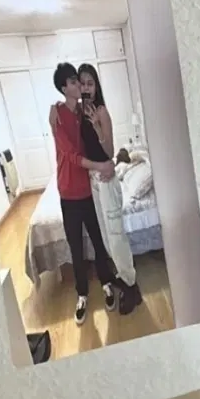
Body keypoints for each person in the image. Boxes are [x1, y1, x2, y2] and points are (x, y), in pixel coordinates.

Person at [48, 62, 121, 325]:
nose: (79, 85)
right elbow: (71, 156)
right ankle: (81, 294)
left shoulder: (82, 111)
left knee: (98, 241)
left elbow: (101, 142)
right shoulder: (58, 115)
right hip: (68, 192)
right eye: (74, 82)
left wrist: (107, 160)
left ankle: (106, 283)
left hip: (88, 189)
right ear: (63, 88)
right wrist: (102, 166)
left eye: (79, 81)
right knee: (76, 248)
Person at [76, 64, 143, 314]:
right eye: (82, 83)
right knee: (106, 236)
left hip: (106, 181)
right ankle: (126, 279)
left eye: (90, 83)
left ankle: (132, 286)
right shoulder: (79, 115)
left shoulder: (102, 112)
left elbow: (109, 151)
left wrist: (96, 126)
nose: (86, 88)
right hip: (93, 180)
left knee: (116, 237)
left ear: (96, 86)